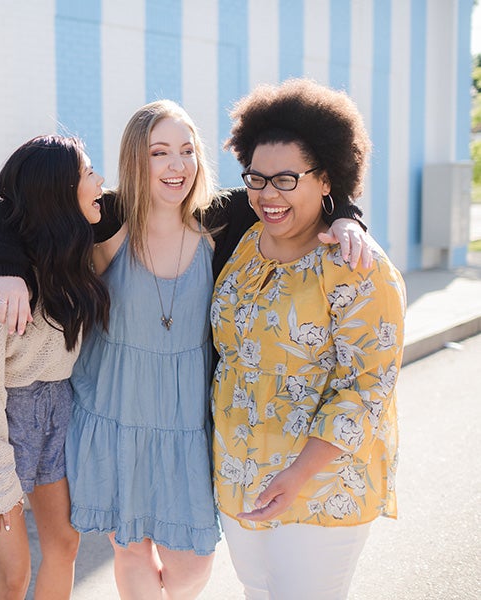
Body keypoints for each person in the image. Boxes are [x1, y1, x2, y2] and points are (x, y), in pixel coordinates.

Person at [0, 101, 377, 598]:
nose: (177, 165)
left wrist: (347, 218)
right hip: (111, 414)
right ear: (134, 161)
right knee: (131, 549)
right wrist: (7, 269)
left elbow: (297, 194)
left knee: (191, 568)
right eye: (159, 152)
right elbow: (12, 212)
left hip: (184, 426)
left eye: (187, 150)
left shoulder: (223, 218)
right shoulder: (107, 217)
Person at [210, 78, 405, 599]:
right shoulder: (243, 239)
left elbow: (366, 388)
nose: (268, 195)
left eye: (286, 179)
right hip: (236, 472)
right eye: (256, 177)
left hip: (321, 486)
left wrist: (297, 474)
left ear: (326, 181)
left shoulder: (357, 265)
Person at [0, 134, 109, 599]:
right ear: (57, 193)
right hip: (0, 424)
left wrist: (338, 209)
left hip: (58, 411)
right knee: (13, 574)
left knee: (64, 543)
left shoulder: (71, 254)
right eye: (88, 173)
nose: (101, 182)